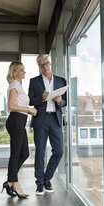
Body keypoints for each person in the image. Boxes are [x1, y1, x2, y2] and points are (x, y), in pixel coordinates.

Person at [28, 54, 67, 196]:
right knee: (40, 152)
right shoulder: (34, 81)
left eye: (46, 64)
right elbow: (31, 101)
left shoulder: (61, 80)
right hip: (41, 120)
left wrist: (59, 101)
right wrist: (41, 98)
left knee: (59, 151)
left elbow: (65, 102)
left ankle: (46, 178)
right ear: (39, 66)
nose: (45, 67)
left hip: (55, 119)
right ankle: (39, 183)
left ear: (50, 63)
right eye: (41, 65)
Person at [1, 61, 37, 199]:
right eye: (21, 70)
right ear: (13, 72)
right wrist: (29, 109)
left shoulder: (18, 86)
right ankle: (15, 184)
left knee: (25, 153)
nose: (24, 72)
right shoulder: (14, 85)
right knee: (16, 154)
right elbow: (11, 106)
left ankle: (10, 181)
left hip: (20, 121)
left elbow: (18, 105)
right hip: (15, 121)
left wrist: (28, 111)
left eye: (24, 70)